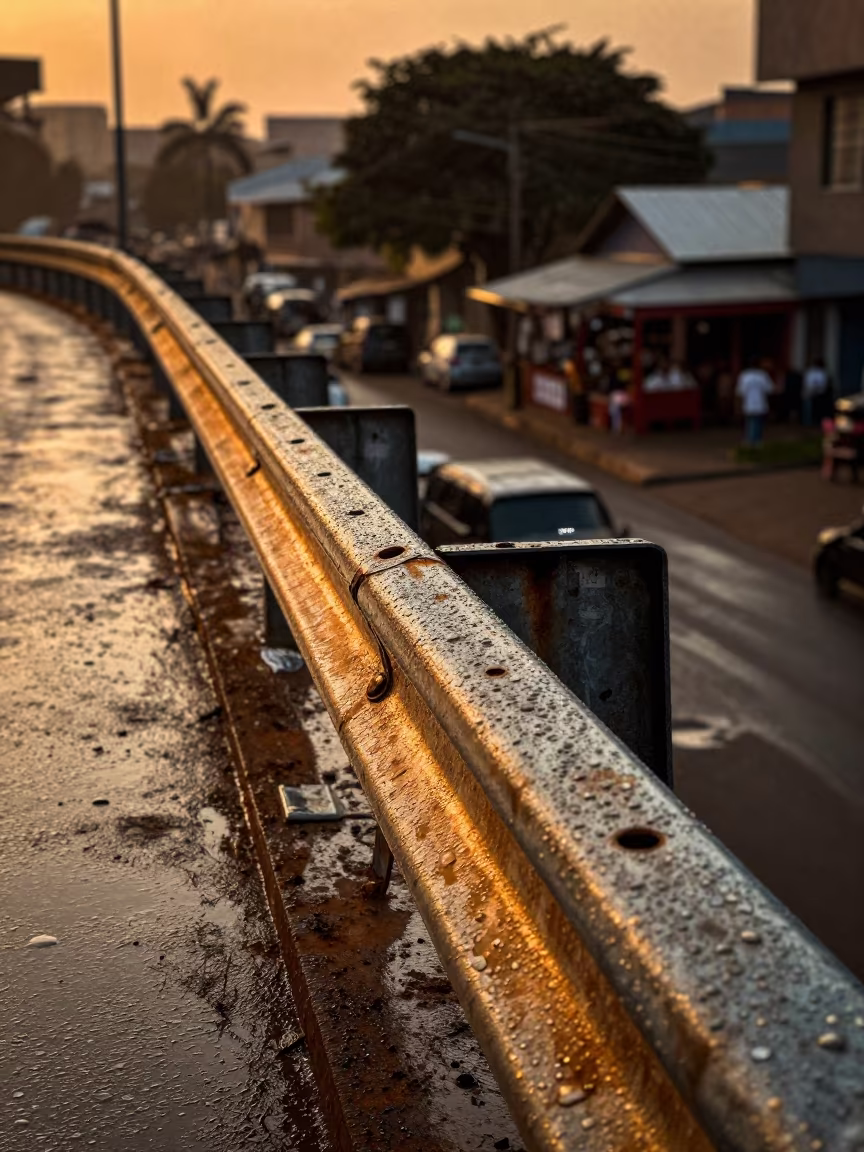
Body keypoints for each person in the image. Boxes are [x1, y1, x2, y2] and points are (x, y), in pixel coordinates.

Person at [736, 360, 774, 446]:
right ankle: (756, 441)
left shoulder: (744, 375)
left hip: (748, 403)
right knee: (757, 423)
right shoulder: (763, 375)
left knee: (749, 423)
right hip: (760, 403)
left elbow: (740, 391)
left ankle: (750, 440)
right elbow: (770, 389)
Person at [803, 358, 829, 427]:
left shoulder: (821, 372)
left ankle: (815, 422)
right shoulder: (811, 372)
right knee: (808, 408)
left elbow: (823, 384)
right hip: (810, 393)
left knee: (817, 409)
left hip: (819, 394)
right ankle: (807, 422)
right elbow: (808, 383)